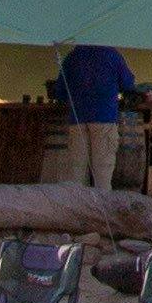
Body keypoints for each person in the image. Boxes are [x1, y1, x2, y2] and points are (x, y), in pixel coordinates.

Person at [58, 39, 137, 191]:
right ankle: (101, 205)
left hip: (78, 118)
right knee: (102, 173)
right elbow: (128, 84)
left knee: (76, 171)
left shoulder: (73, 56)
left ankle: (76, 204)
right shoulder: (112, 55)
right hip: (104, 117)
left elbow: (60, 90)